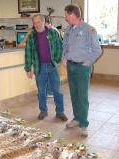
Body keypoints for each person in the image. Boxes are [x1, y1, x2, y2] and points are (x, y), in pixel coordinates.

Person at [62, 4, 102, 136]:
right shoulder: (68, 29)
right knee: (74, 95)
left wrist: (86, 63)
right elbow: (65, 46)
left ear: (72, 15)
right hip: (71, 67)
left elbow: (97, 50)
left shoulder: (88, 29)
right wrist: (64, 58)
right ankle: (77, 118)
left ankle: (84, 124)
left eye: (66, 15)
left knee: (82, 97)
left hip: (82, 68)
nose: (65, 17)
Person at [24, 14, 67, 121]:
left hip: (52, 66)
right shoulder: (31, 36)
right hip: (40, 67)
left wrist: (57, 61)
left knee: (57, 90)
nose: (37, 25)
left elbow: (60, 47)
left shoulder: (53, 33)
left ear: (43, 22)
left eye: (38, 22)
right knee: (41, 91)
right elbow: (28, 53)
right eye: (34, 23)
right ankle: (43, 111)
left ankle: (60, 112)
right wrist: (28, 69)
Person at [44, 15, 60, 98]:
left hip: (52, 58)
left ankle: (50, 92)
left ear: (45, 22)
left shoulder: (51, 31)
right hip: (54, 57)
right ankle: (51, 91)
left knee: (50, 76)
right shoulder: (55, 29)